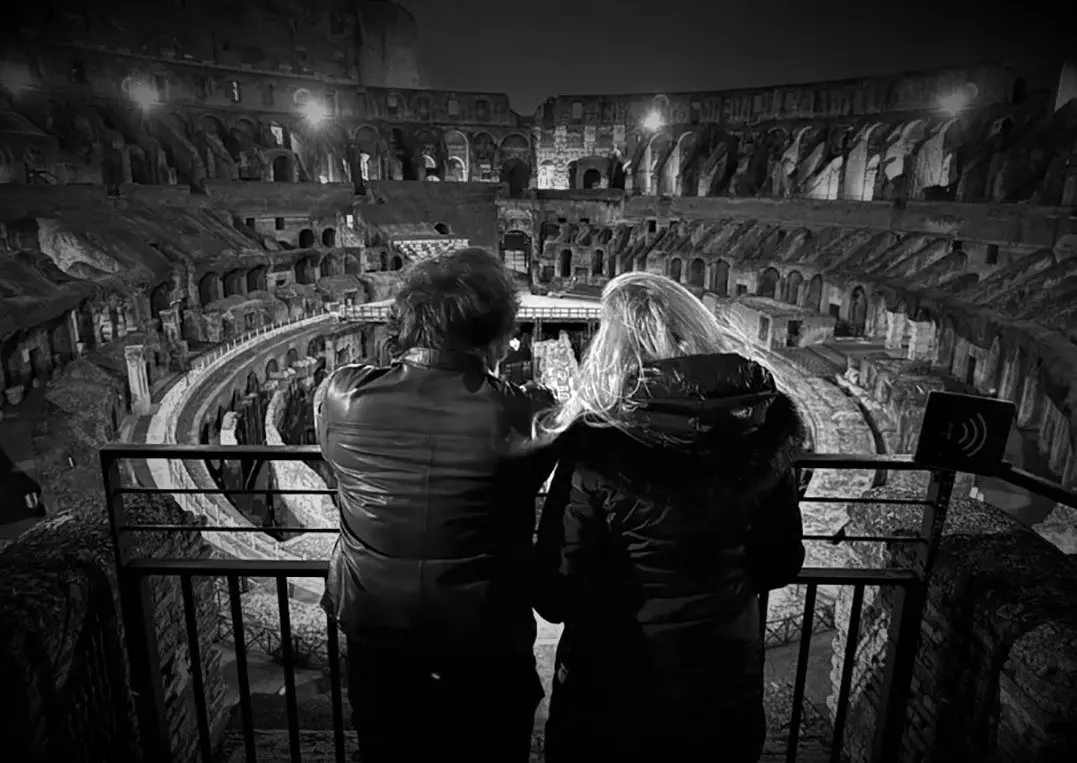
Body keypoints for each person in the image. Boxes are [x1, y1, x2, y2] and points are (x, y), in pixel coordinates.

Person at [532, 271, 808, 763]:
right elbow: (781, 562)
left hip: (613, 694)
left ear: (611, 346)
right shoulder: (761, 433)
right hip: (723, 686)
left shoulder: (596, 447)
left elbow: (557, 594)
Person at [315, 248, 559, 763]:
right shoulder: (524, 412)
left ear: (403, 324)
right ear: (495, 333)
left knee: (387, 747)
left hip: (376, 629)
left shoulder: (343, 396)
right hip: (485, 637)